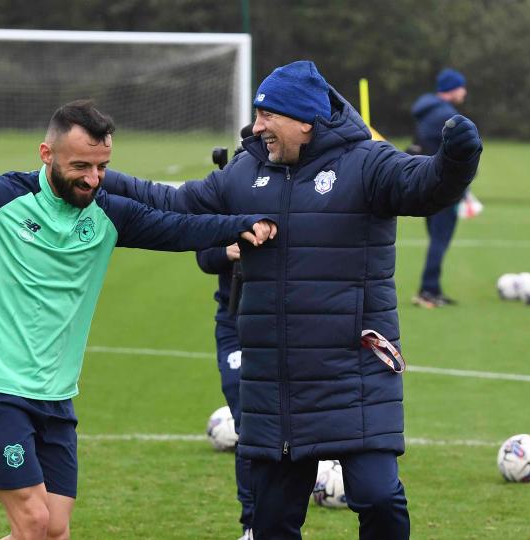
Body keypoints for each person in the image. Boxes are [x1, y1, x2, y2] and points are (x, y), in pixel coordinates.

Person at [102, 61, 482, 539]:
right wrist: (97, 179)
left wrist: (457, 159)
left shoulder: (368, 163)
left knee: (380, 498)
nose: (257, 127)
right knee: (272, 521)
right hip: (277, 384)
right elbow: (172, 202)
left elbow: (428, 186)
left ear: (305, 119)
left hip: (354, 375)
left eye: (267, 115)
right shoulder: (243, 173)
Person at [0, 100, 277, 540]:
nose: (93, 178)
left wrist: (242, 224)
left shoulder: (109, 214)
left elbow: (177, 227)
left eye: (102, 167)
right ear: (47, 154)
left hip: (56, 398)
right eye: (81, 166)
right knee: (34, 523)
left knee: (55, 530)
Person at [196, 243, 254, 540]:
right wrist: (226, 252)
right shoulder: (228, 199)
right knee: (248, 423)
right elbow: (204, 256)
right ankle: (252, 525)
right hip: (234, 324)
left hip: (288, 321)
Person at [410, 68, 470, 308]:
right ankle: (428, 291)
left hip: (426, 181)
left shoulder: (428, 111)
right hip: (443, 185)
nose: (465, 91)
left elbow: (419, 146)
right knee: (439, 239)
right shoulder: (445, 115)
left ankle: (432, 288)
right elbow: (456, 152)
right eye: (462, 87)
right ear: (453, 89)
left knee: (437, 238)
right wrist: (462, 183)